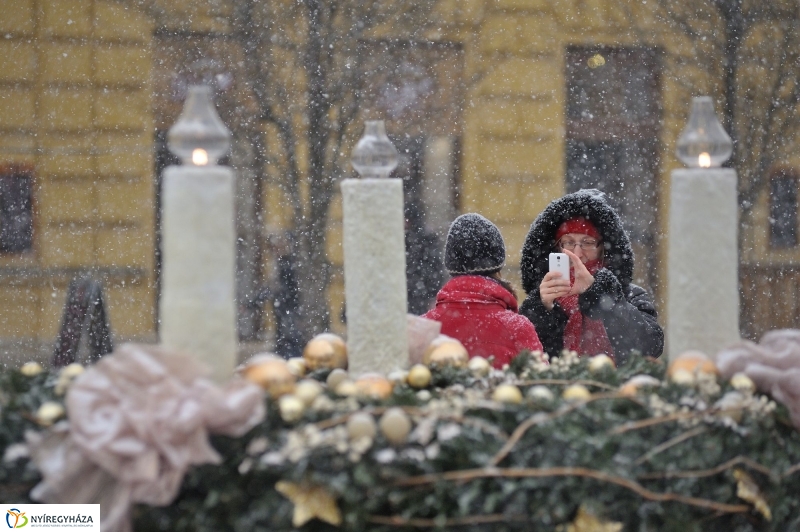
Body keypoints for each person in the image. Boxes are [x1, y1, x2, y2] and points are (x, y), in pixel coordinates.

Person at [519, 189, 663, 365]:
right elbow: (521, 356)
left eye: (588, 242)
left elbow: (651, 346)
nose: (577, 253)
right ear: (557, 247)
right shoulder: (544, 295)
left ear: (604, 247)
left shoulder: (629, 295)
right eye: (568, 242)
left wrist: (604, 298)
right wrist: (541, 310)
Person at [423, 213, 543, 368]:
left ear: (451, 266)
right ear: (498, 267)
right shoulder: (517, 327)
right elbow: (540, 383)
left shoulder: (425, 329)